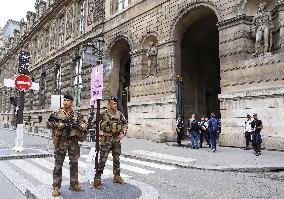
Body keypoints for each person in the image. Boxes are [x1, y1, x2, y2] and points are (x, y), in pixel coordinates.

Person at [47, 94, 88, 197]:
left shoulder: (77, 114)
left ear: (72, 102)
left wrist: (80, 126)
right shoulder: (57, 113)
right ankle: (56, 186)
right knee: (58, 164)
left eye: (68, 100)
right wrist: (58, 125)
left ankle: (74, 184)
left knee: (74, 163)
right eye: (64, 100)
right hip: (61, 141)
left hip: (73, 142)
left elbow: (84, 124)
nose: (65, 102)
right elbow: (48, 124)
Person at [93, 96, 128, 189]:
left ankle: (116, 176)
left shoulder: (119, 114)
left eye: (116, 103)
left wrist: (123, 133)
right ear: (109, 104)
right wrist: (100, 132)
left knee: (117, 158)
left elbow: (125, 124)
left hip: (116, 139)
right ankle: (98, 178)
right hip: (106, 139)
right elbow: (94, 123)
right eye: (113, 103)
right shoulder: (103, 114)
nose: (115, 105)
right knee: (102, 160)